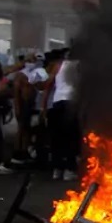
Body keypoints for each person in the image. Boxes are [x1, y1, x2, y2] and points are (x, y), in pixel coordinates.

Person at [43, 49, 79, 182]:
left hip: (57, 103)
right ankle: (69, 169)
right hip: (71, 103)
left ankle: (57, 170)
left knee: (58, 137)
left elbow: (48, 85)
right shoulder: (79, 65)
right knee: (71, 137)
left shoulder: (58, 65)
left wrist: (44, 106)